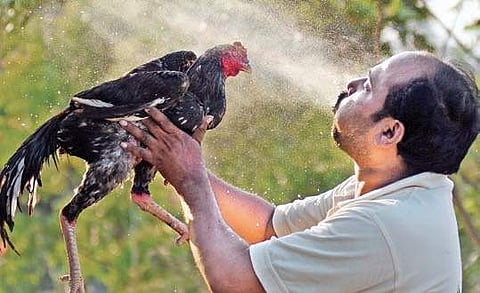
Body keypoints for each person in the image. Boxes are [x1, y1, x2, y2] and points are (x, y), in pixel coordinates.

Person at [119, 51, 479, 292]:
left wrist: (190, 179)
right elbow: (267, 224)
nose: (352, 83)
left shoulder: (386, 224)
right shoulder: (394, 190)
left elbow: (235, 281)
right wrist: (182, 160)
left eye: (369, 86)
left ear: (388, 132)